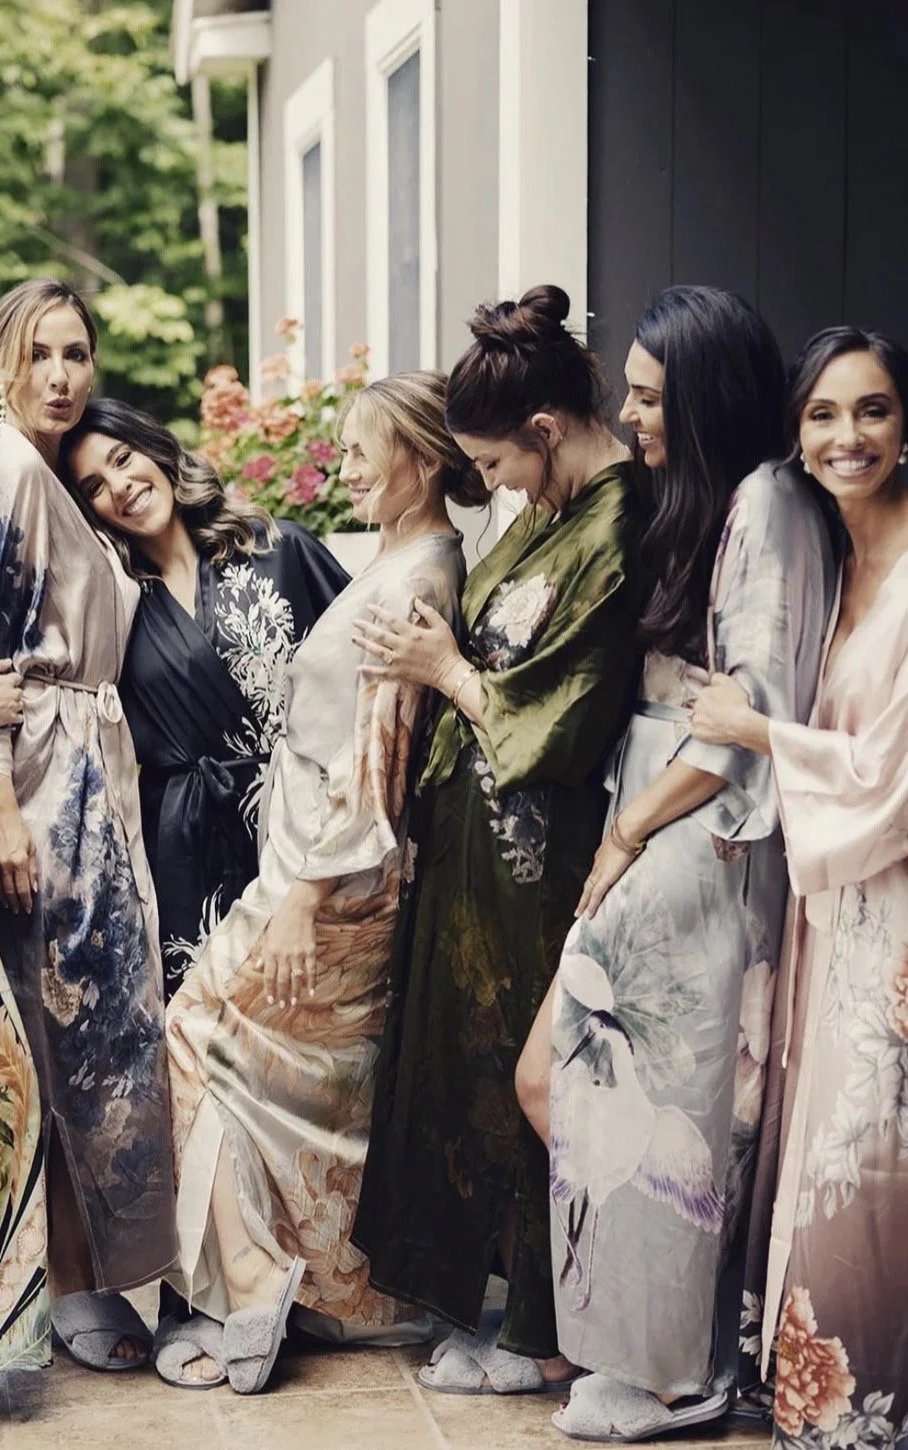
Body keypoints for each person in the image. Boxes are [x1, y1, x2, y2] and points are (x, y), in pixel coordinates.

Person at [537, 286, 835, 1442]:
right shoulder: (714, 504)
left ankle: (677, 1373)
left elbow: (743, 716)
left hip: (700, 831)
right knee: (603, 1089)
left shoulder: (766, 500)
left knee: (670, 1103)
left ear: (704, 398)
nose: (629, 413)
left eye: (650, 396)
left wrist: (624, 836)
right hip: (663, 809)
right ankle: (647, 1346)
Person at [159, 371, 483, 1394]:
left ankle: (256, 1288)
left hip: (331, 883)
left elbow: (373, 762)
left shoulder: (418, 581)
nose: (341, 466)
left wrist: (303, 894)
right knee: (297, 1086)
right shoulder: (397, 558)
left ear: (420, 459)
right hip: (310, 867)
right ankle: (310, 1292)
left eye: (357, 448)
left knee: (197, 1037)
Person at [352, 284, 643, 1393]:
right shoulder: (552, 507)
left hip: (543, 848)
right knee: (465, 1062)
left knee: (530, 1076)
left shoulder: (614, 525)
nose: (496, 487)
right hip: (479, 837)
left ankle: (545, 1330)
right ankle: (503, 1300)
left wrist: (444, 666)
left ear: (546, 429)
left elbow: (564, 715)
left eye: (497, 464)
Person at [691, 327, 908, 1447]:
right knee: (823, 1148)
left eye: (871, 410)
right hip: (837, 908)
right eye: (822, 414)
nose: (846, 436)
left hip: (893, 912)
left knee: (867, 1159)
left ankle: (863, 1413)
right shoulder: (828, 551)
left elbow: (891, 774)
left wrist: (760, 733)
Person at [0, 278, 175, 1371]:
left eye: (77, 353)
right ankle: (66, 1286)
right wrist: (5, 816)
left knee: (91, 1027)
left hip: (87, 764)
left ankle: (85, 1276)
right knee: (65, 1025)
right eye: (39, 353)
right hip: (41, 778)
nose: (61, 375)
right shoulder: (13, 470)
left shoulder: (51, 469)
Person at [60, 398, 348, 1002]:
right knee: (204, 1034)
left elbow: (365, 680)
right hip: (186, 854)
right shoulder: (115, 609)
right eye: (95, 487)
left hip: (306, 832)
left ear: (156, 450)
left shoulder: (280, 549)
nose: (120, 487)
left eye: (123, 458)